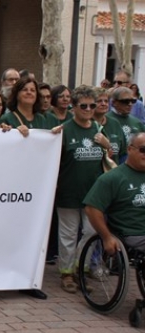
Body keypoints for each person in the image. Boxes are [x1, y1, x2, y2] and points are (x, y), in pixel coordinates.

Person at [52, 85, 103, 293]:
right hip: (68, 192)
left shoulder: (99, 130)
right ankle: (66, 273)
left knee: (91, 232)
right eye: (83, 106)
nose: (89, 109)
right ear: (73, 107)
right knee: (68, 235)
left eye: (92, 105)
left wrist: (107, 145)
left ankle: (79, 268)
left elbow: (110, 160)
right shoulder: (64, 130)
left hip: (93, 194)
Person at [84, 133, 145, 256]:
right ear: (129, 149)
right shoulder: (112, 178)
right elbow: (92, 209)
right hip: (131, 233)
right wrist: (106, 237)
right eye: (143, 150)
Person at [94, 87, 127, 164]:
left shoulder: (114, 123)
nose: (103, 104)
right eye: (99, 101)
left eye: (106, 101)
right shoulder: (86, 124)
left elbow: (123, 153)